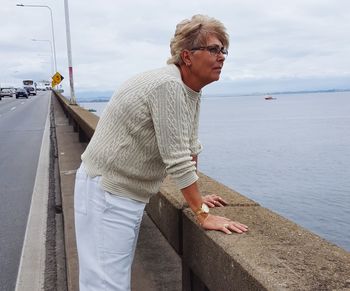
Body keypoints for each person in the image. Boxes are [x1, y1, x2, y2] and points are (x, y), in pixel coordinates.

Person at [74, 14, 248, 291]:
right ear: (187, 56)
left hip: (124, 192)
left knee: (110, 280)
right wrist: (202, 214)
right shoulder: (168, 86)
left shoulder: (189, 90)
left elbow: (188, 148)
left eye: (223, 49)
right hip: (108, 192)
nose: (222, 57)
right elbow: (177, 161)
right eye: (213, 49)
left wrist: (198, 197)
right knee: (105, 285)